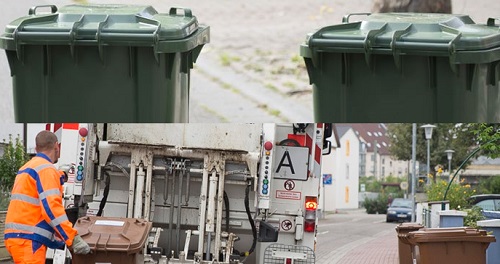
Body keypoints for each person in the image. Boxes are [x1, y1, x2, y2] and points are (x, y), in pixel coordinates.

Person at [4, 130, 90, 263]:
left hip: (17, 238)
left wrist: (61, 175)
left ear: (37, 147)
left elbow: (38, 188)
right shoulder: (47, 170)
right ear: (57, 146)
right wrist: (72, 239)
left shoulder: (28, 167)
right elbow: (52, 210)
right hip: (29, 241)